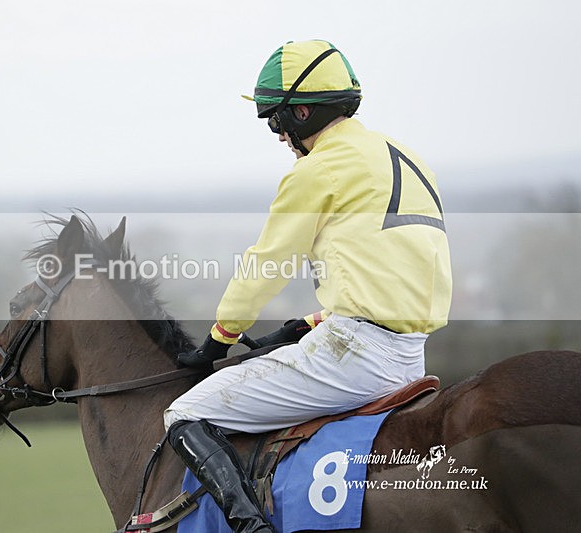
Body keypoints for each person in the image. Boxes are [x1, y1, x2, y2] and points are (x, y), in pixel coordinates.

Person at [164, 39, 452, 532]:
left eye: (275, 120)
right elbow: (396, 265)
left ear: (302, 113)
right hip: (412, 354)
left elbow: (268, 263)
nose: (277, 135)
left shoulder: (316, 169)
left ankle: (250, 527)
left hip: (356, 355)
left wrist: (221, 336)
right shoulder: (404, 155)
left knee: (185, 413)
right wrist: (312, 321)